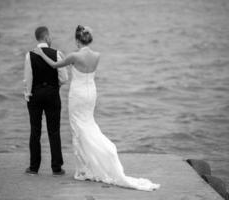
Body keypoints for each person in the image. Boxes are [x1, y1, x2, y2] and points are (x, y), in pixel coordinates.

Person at [33, 25, 160, 191]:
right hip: (91, 93)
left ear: (78, 40)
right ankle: (95, 161)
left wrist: (41, 53)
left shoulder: (73, 56)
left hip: (78, 95)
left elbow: (54, 65)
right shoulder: (97, 56)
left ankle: (84, 169)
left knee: (78, 129)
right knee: (89, 124)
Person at [24, 26, 68, 176]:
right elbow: (64, 78)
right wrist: (54, 87)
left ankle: (34, 167)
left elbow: (28, 79)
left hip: (35, 95)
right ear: (47, 37)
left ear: (37, 38)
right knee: (54, 131)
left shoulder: (29, 55)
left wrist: (28, 95)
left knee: (35, 131)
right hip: (52, 95)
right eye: (50, 36)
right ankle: (56, 168)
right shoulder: (56, 54)